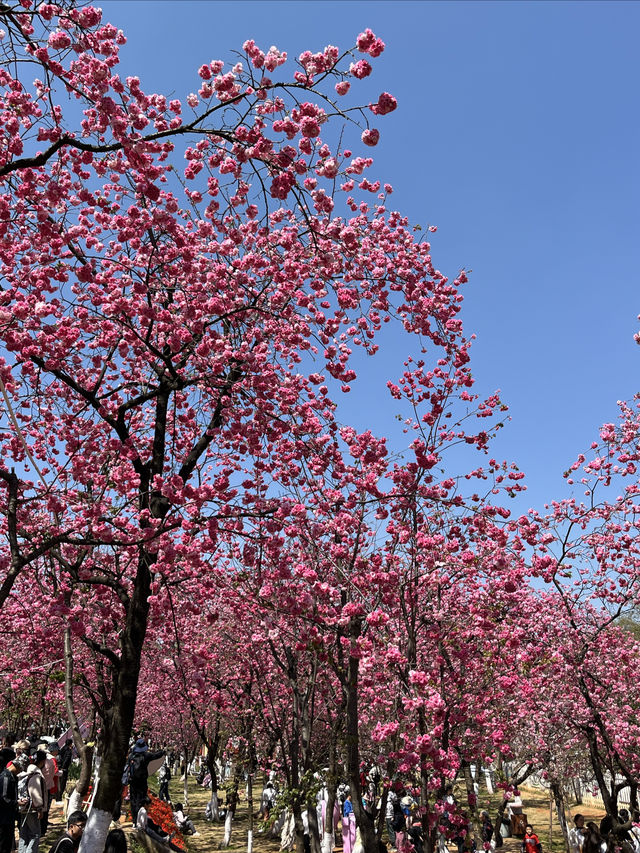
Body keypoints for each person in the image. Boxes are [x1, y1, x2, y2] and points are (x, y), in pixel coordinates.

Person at [127, 739, 165, 823]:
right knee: (141, 799)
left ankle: (134, 820)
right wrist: (162, 751)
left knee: (133, 799)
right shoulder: (146, 756)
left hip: (133, 781)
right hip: (142, 780)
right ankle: (139, 820)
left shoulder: (131, 756)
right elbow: (156, 755)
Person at [19, 750, 47, 853]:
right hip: (33, 809)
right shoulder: (36, 774)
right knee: (35, 834)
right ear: (42, 761)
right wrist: (39, 808)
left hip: (24, 806)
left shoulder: (26, 772)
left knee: (24, 834)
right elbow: (35, 792)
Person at [0, 749, 19, 853]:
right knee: (4, 843)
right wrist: (16, 803)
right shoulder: (6, 777)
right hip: (4, 817)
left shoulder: (10, 776)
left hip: (8, 817)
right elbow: (4, 798)